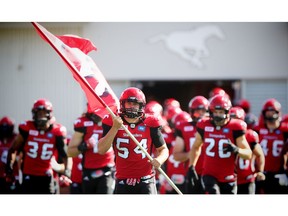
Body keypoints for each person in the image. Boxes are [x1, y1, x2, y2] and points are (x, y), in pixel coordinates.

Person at [97, 87, 169, 194]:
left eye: (135, 104)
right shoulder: (113, 120)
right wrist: (115, 128)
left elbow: (164, 149)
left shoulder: (151, 122)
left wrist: (160, 159)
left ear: (141, 105)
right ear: (122, 104)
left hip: (146, 179)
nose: (132, 106)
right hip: (122, 179)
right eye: (129, 103)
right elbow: (101, 150)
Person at [188, 94, 252, 194]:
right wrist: (191, 166)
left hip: (229, 177)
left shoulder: (235, 127)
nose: (218, 115)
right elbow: (196, 147)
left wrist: (236, 150)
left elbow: (248, 154)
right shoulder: (204, 124)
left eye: (221, 112)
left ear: (227, 112)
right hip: (209, 174)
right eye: (215, 112)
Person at [5, 98, 69, 194]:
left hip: (47, 174)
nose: (41, 116)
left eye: (43, 113)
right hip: (28, 174)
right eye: (38, 113)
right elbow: (13, 149)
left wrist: (66, 173)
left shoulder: (57, 131)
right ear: (34, 114)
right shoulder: (27, 128)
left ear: (49, 114)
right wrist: (9, 167)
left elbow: (65, 156)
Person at [67, 107, 115, 194]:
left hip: (107, 168)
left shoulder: (113, 120)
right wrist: (84, 146)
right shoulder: (83, 123)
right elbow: (70, 152)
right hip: (88, 170)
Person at [173, 95, 209, 194]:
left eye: (203, 111)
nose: (201, 114)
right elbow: (176, 155)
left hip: (212, 173)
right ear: (192, 112)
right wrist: (192, 153)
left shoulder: (214, 126)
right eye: (198, 111)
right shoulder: (184, 127)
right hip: (194, 173)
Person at [254, 98, 288, 194]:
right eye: (268, 112)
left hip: (279, 172)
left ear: (278, 112)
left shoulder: (285, 130)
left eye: (272, 112)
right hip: (262, 172)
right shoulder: (258, 130)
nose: (270, 115)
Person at [229, 106, 265, 194]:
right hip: (229, 179)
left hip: (247, 179)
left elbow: (259, 154)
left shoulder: (250, 135)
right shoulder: (224, 133)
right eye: (231, 120)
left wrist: (260, 171)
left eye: (236, 120)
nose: (234, 123)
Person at [0, 116, 20, 193]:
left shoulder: (17, 138)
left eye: (7, 127)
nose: (4, 130)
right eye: (2, 127)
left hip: (13, 176)